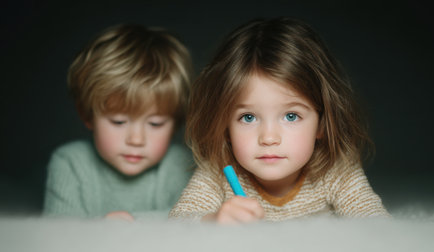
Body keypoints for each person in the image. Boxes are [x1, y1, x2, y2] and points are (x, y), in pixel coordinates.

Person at [169, 17, 389, 224]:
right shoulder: (218, 172)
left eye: (291, 116)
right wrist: (212, 221)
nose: (269, 138)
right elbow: (180, 220)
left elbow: (374, 221)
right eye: (248, 117)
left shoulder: (335, 171)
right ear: (225, 127)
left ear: (322, 124)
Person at [44, 24, 194, 220]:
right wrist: (103, 227)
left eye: (155, 124)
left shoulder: (180, 163)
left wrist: (132, 222)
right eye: (118, 121)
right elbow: (57, 231)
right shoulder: (70, 163)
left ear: (176, 122)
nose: (136, 140)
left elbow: (194, 218)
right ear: (87, 116)